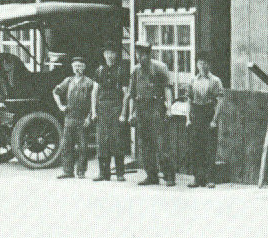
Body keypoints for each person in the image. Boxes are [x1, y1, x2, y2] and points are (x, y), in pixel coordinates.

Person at [120, 41, 176, 186]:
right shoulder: (135, 70)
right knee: (145, 145)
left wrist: (169, 108)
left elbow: (167, 89)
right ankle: (151, 175)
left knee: (162, 144)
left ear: (149, 54)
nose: (140, 57)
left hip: (156, 108)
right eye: (138, 54)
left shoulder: (159, 68)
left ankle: (169, 175)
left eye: (143, 54)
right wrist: (132, 113)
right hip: (141, 109)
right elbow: (132, 94)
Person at [53, 55, 95, 179]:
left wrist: (89, 117)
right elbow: (55, 92)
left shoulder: (89, 82)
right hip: (69, 117)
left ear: (84, 68)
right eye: (75, 66)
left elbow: (94, 101)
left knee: (83, 146)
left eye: (80, 66)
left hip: (82, 118)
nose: (77, 69)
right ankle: (67, 171)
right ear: (72, 68)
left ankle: (81, 171)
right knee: (67, 145)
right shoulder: (68, 81)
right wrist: (60, 106)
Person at [91, 43, 128, 181]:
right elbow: (94, 92)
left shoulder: (121, 70)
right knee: (102, 141)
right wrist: (93, 111)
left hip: (116, 109)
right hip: (101, 109)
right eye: (107, 53)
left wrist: (124, 113)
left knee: (117, 141)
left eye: (112, 53)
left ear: (116, 55)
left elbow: (126, 93)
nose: (109, 56)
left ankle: (119, 173)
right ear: (104, 55)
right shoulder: (99, 71)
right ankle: (103, 173)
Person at [186, 51, 224, 188]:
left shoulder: (215, 81)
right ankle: (197, 177)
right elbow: (189, 100)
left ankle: (209, 178)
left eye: (205, 63)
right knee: (196, 147)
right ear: (196, 64)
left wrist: (214, 119)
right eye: (200, 63)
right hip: (196, 114)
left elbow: (219, 101)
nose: (202, 66)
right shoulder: (193, 80)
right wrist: (187, 118)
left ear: (209, 65)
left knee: (209, 147)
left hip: (208, 113)